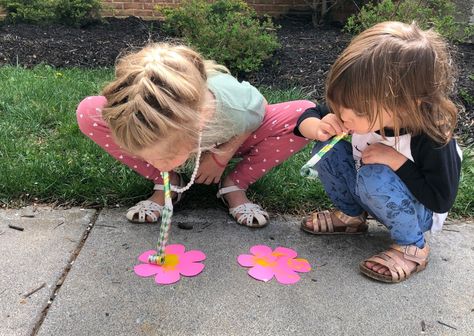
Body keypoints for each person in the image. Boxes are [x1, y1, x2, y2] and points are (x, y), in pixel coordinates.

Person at [294, 21, 462, 283]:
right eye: (339, 107)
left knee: (375, 175)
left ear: (406, 103)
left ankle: (412, 246)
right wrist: (318, 127)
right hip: (368, 191)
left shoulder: (431, 137)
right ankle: (351, 216)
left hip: (418, 211)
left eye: (356, 112)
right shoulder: (357, 106)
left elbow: (441, 199)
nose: (343, 116)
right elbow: (309, 114)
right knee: (327, 150)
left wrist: (398, 162)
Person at [77, 43, 314, 228]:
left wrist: (222, 156)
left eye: (166, 156)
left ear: (201, 120)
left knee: (302, 115)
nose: (155, 163)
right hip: (193, 136)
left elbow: (258, 109)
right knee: (88, 111)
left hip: (229, 135)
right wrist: (163, 157)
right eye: (145, 156)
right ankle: (167, 182)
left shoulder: (233, 108)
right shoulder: (137, 113)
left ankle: (234, 185)